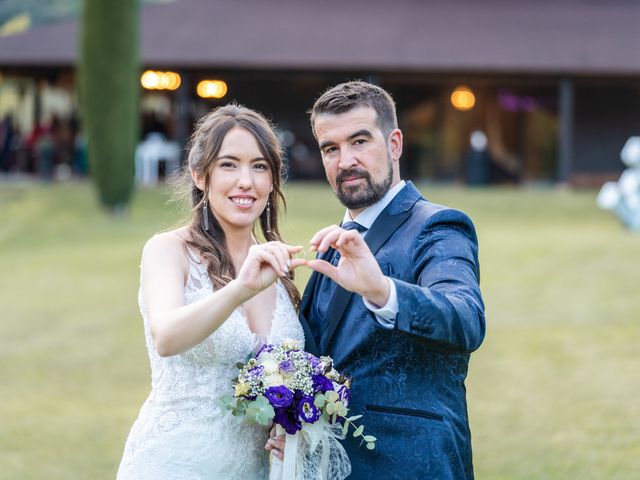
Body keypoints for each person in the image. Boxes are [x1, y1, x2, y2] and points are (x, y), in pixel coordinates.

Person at [268, 81, 486, 479]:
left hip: (411, 464)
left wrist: (382, 291)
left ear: (395, 144)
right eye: (330, 148)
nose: (345, 160)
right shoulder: (331, 247)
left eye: (360, 141)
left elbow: (465, 319)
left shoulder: (438, 226)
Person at [116, 104, 305, 479]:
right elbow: (167, 336)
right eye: (229, 164)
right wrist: (239, 289)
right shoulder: (168, 251)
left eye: (259, 166)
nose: (246, 181)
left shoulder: (279, 275)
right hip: (172, 464)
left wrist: (289, 426)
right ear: (200, 176)